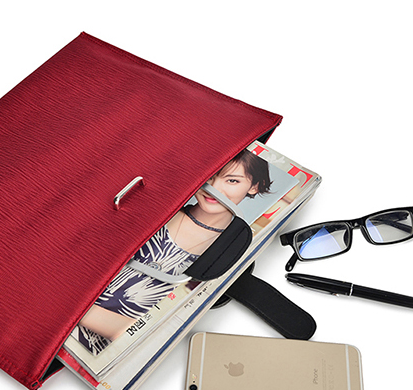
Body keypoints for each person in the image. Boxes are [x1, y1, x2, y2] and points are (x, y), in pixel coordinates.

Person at [74, 150, 272, 355]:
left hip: (100, 345)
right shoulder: (157, 209)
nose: (214, 188)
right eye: (210, 175)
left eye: (231, 181)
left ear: (254, 186)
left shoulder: (228, 249)